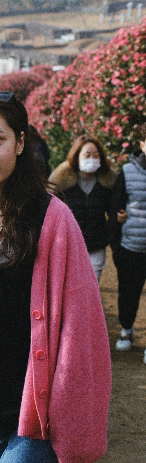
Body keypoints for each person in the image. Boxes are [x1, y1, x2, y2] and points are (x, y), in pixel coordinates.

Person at [0, 91, 111, 463]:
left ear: (20, 143)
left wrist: (70, 414)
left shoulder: (53, 219)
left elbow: (81, 325)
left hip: (37, 409)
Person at [48, 135, 117, 281]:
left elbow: (114, 208)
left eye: (96, 155)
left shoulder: (107, 183)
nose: (92, 158)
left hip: (96, 244)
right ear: (77, 156)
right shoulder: (61, 182)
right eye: (87, 155)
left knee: (92, 284)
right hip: (68, 244)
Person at [109, 128, 146, 361]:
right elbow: (116, 206)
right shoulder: (127, 171)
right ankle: (126, 329)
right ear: (142, 144)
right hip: (131, 245)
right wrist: (116, 245)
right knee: (128, 291)